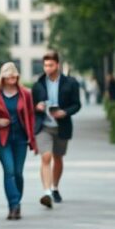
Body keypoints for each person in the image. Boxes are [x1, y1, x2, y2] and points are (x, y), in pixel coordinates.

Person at [32, 50, 82, 207]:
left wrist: (64, 112)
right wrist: (37, 107)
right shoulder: (38, 84)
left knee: (58, 158)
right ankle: (46, 192)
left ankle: (55, 187)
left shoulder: (71, 83)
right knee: (46, 157)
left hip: (62, 126)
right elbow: (31, 106)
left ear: (58, 65)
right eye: (45, 65)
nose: (47, 68)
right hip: (44, 126)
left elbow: (77, 104)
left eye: (51, 65)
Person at [0, 62, 37, 220]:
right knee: (9, 171)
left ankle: (16, 202)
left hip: (21, 138)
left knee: (18, 173)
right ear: (2, 77)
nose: (11, 77)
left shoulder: (26, 94)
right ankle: (14, 205)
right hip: (3, 139)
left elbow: (31, 115)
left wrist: (32, 137)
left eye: (14, 74)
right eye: (8, 74)